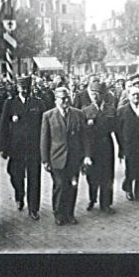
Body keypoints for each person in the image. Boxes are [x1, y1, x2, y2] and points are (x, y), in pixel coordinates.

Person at [40, 87, 92, 226]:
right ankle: (58, 213)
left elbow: (85, 137)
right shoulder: (48, 116)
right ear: (56, 100)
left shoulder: (78, 114)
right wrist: (45, 160)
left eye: (67, 98)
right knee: (60, 185)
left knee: (73, 186)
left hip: (74, 158)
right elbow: (44, 139)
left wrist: (87, 155)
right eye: (62, 98)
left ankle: (70, 214)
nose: (65, 101)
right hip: (57, 158)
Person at [0, 76, 46, 220]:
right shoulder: (10, 103)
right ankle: (19, 195)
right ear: (17, 88)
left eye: (26, 87)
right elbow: (3, 127)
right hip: (16, 149)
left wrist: (44, 149)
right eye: (21, 87)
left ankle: (33, 208)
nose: (23, 90)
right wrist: (4, 148)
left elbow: (44, 127)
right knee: (16, 175)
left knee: (34, 178)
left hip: (34, 148)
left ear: (30, 88)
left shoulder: (38, 103)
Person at [115, 84, 139, 203]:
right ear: (128, 96)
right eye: (133, 94)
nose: (136, 96)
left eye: (138, 94)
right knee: (131, 170)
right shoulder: (122, 111)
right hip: (129, 146)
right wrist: (122, 148)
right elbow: (118, 131)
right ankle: (128, 188)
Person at [81, 81, 117, 214]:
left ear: (103, 95)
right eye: (92, 94)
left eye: (98, 94)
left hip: (107, 145)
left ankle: (106, 203)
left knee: (107, 176)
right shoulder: (85, 111)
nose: (95, 96)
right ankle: (92, 199)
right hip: (92, 147)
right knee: (92, 175)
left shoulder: (110, 109)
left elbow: (115, 128)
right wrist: (85, 154)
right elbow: (83, 134)